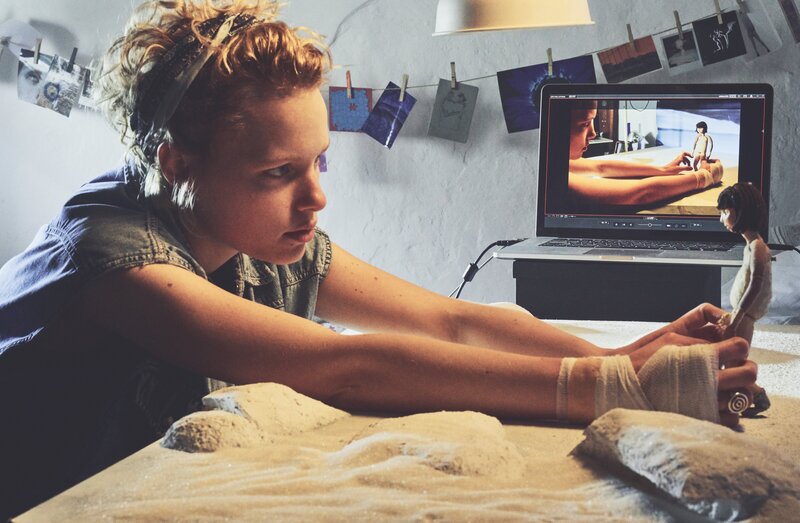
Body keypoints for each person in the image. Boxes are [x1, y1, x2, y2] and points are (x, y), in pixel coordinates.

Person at [0, 0, 757, 517]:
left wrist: (622, 360)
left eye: (318, 162)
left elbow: (451, 321)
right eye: (278, 173)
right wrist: (614, 386)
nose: (315, 198)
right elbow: (347, 367)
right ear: (177, 163)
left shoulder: (265, 238)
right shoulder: (114, 261)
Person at [568, 103, 723, 208]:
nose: (593, 134)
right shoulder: (557, 175)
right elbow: (640, 194)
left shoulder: (561, 160)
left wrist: (664, 170)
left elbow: (601, 167)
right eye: (584, 124)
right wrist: (705, 176)